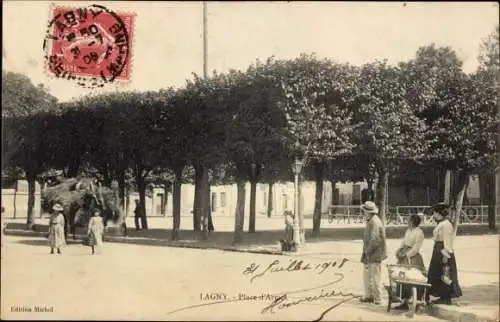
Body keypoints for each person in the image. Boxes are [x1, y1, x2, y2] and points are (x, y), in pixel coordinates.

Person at [426, 203, 462, 305]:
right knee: (436, 273)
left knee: (445, 273)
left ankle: (446, 297)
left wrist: (446, 256)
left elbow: (447, 241)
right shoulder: (441, 224)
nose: (434, 215)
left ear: (439, 213)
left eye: (435, 213)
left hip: (443, 251)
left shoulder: (446, 224)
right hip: (438, 250)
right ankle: (441, 295)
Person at [394, 213, 426, 309]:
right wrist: (399, 250)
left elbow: (416, 247)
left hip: (413, 257)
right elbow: (403, 242)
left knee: (412, 277)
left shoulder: (419, 232)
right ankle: (404, 301)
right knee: (401, 276)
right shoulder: (408, 231)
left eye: (409, 220)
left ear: (412, 222)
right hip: (403, 255)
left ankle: (416, 301)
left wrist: (407, 255)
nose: (407, 222)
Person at [360, 201, 387, 305]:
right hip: (371, 253)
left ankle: (377, 297)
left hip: (374, 254)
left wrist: (367, 252)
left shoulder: (374, 222)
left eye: (364, 211)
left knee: (375, 276)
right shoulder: (371, 221)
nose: (363, 213)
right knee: (368, 275)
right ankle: (369, 295)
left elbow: (375, 239)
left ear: (368, 212)